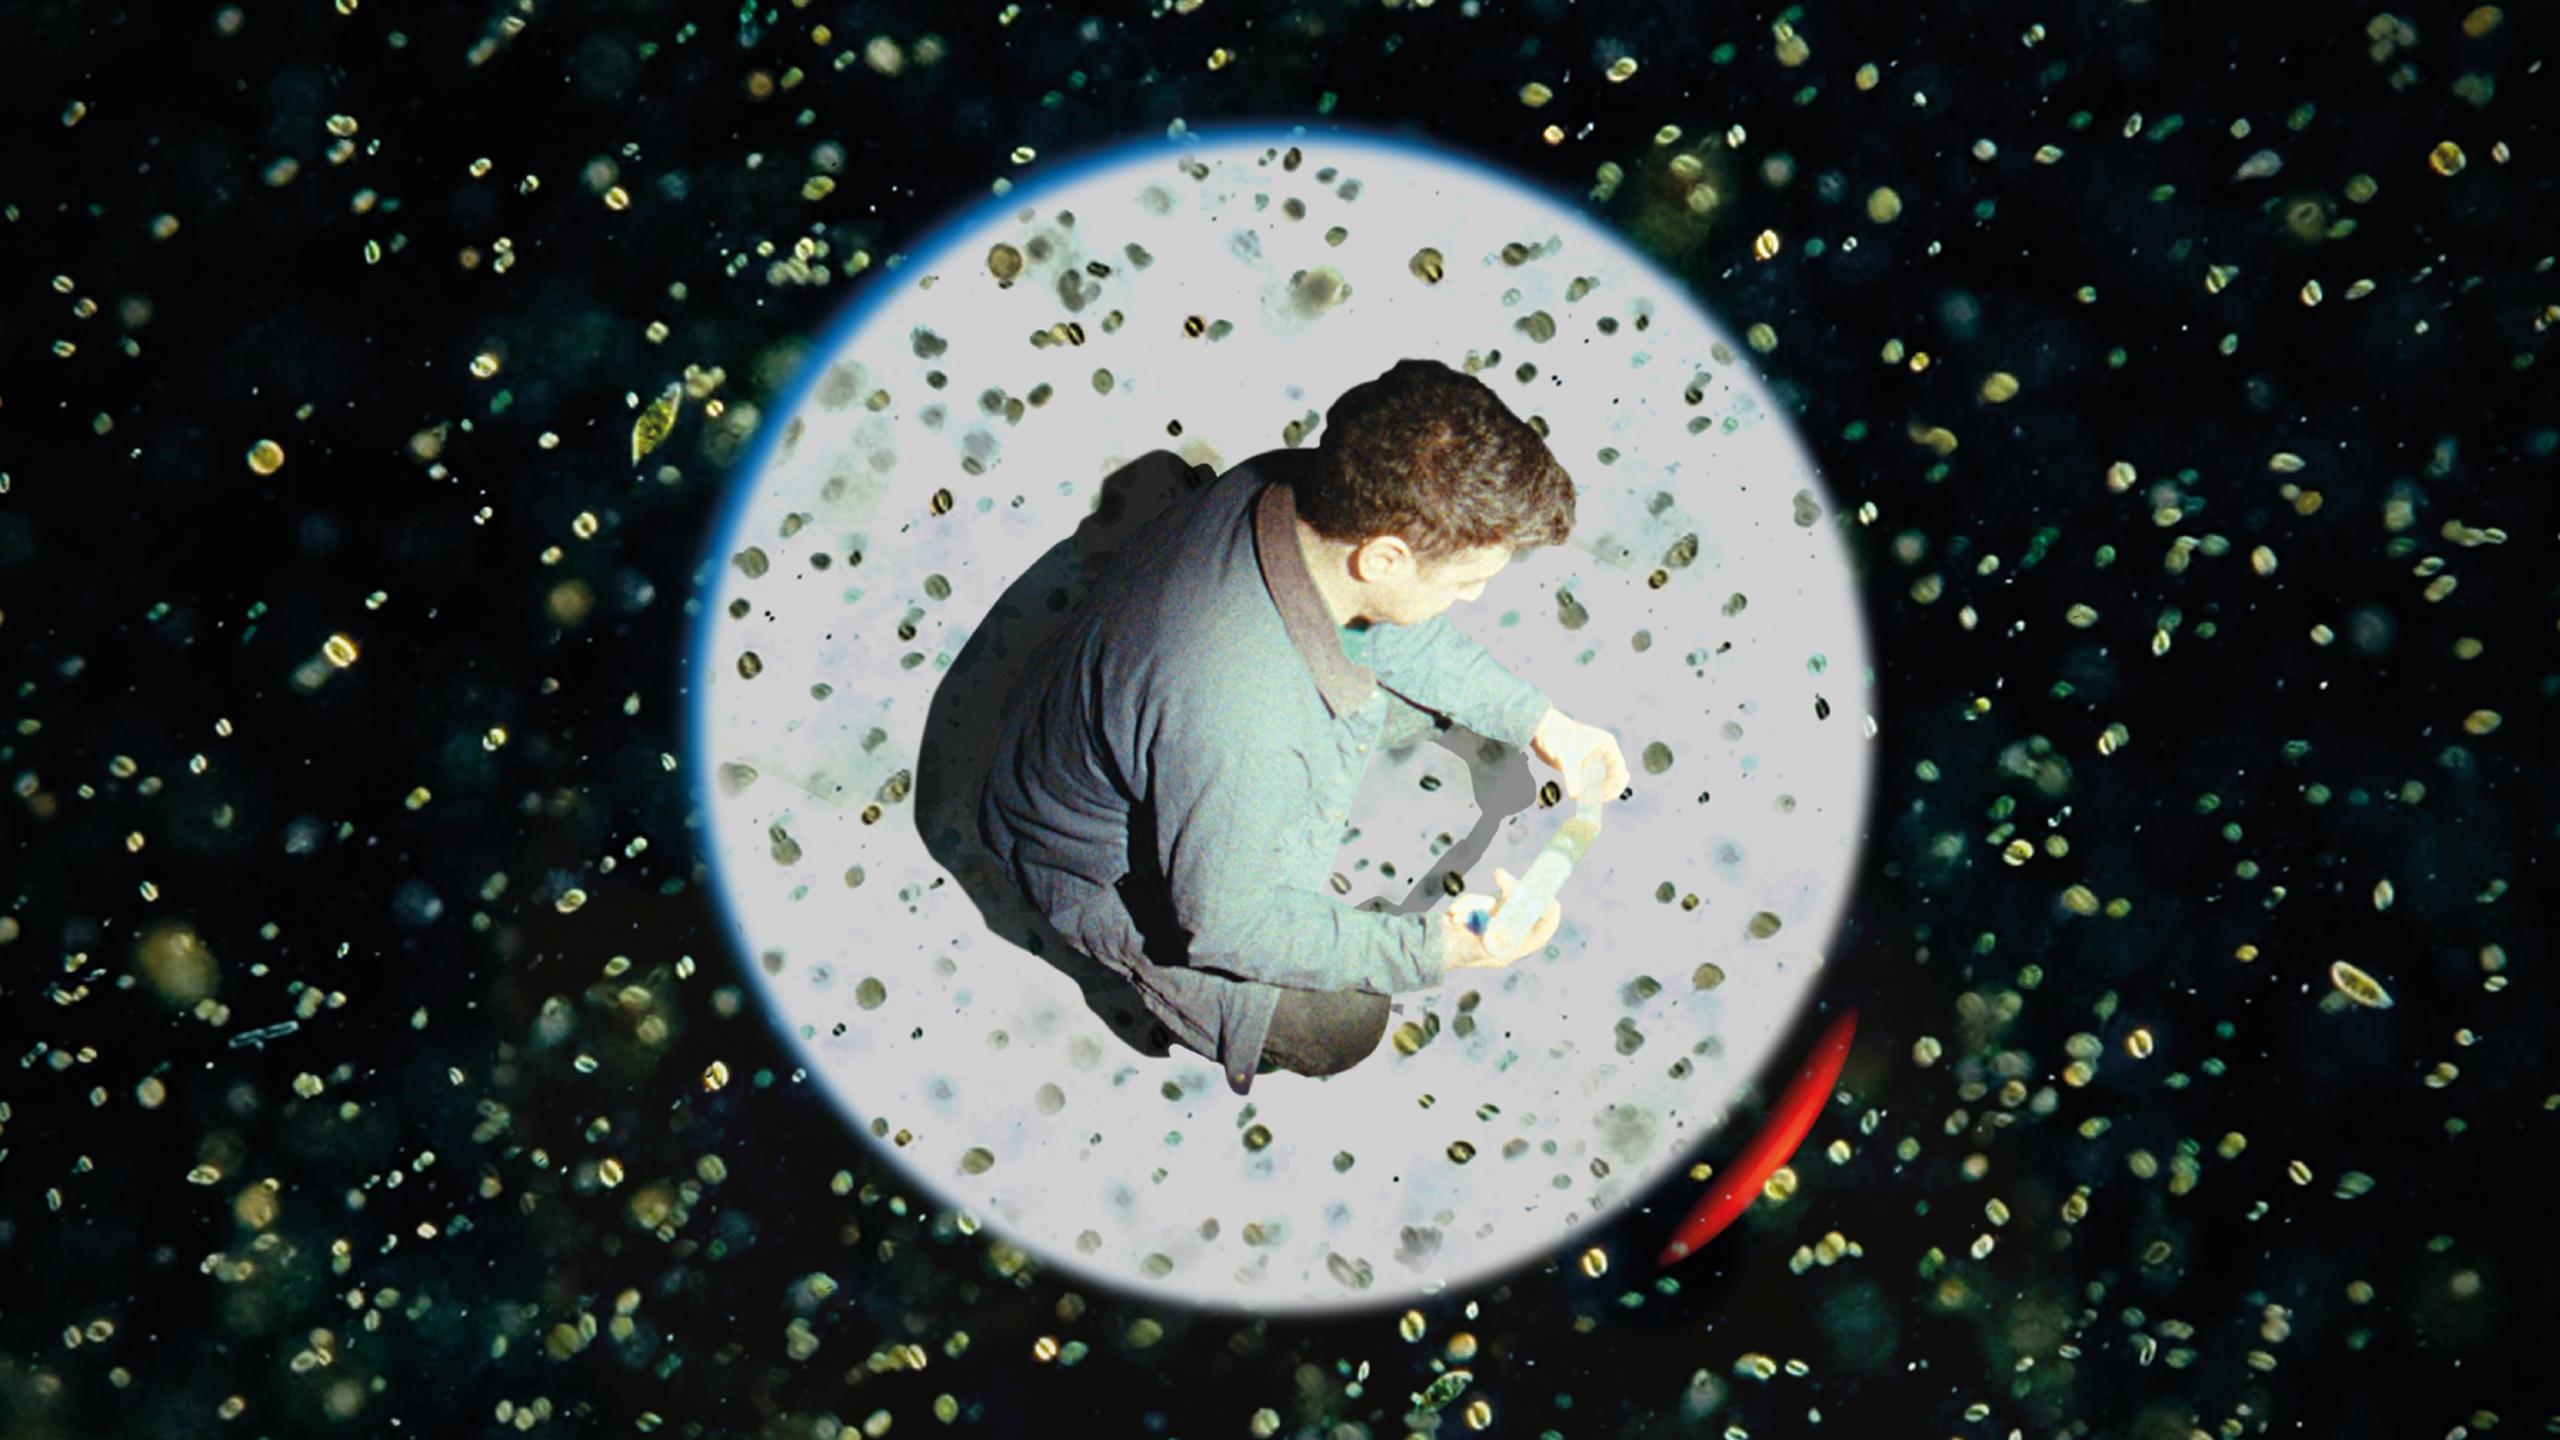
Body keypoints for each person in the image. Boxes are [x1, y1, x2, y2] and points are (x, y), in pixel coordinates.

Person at [977, 358, 1630, 1096]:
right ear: (1383, 556)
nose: (1477, 596)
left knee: (1405, 684)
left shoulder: (1300, 483)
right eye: (1465, 580)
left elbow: (1398, 628)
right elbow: (1224, 925)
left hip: (1115, 720)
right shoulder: (1247, 721)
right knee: (1338, 1023)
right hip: (1083, 859)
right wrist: (1434, 946)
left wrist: (1545, 723)